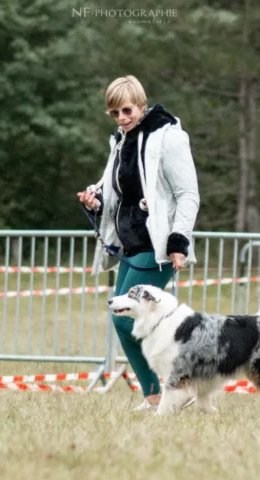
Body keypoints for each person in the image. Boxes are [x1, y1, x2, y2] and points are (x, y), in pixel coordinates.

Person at [77, 75, 200, 411]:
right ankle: (159, 394)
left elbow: (188, 194)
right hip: (130, 245)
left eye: (127, 110)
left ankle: (175, 387)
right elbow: (119, 193)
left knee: (124, 317)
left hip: (156, 246)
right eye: (115, 113)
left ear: (142, 106)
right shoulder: (121, 141)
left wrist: (179, 241)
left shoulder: (169, 137)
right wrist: (96, 201)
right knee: (127, 319)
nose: (121, 118)